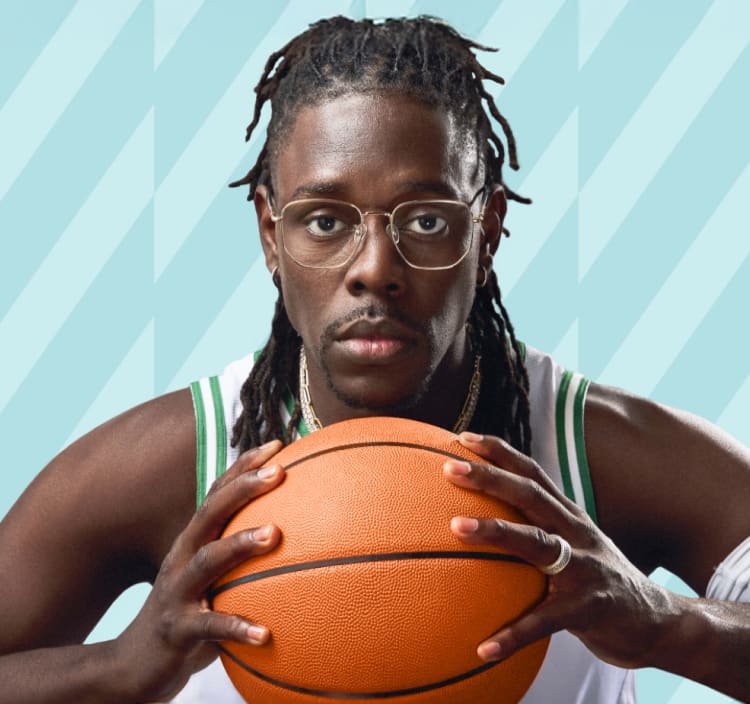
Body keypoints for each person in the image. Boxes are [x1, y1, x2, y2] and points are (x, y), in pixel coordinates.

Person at [0, 15, 748, 704]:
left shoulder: (601, 454)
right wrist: (114, 669)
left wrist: (666, 624)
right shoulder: (173, 464)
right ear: (269, 233)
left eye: (426, 219)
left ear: (486, 231)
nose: (374, 268)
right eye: (325, 220)